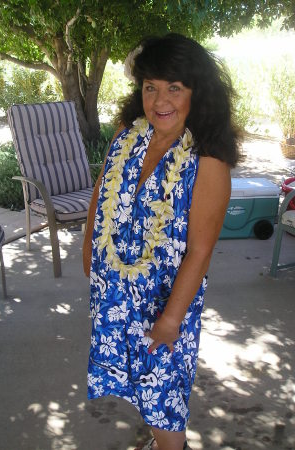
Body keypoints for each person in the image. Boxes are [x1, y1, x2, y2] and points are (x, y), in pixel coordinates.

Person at [82, 33, 240, 450]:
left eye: (175, 87)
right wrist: (88, 251)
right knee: (137, 387)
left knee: (164, 399)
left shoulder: (208, 161)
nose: (159, 100)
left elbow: (200, 250)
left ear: (196, 92)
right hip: (115, 291)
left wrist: (170, 321)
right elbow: (102, 191)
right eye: (150, 86)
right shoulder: (127, 133)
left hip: (164, 305)